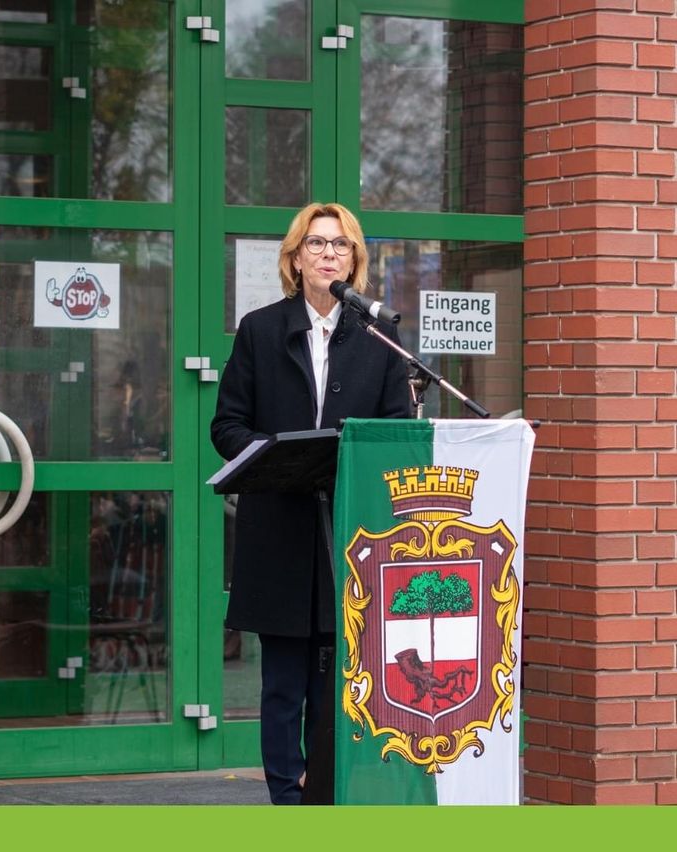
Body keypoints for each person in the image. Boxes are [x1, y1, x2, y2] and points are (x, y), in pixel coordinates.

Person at [211, 202, 411, 805]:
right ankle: (285, 795)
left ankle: (324, 789)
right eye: (318, 244)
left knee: (338, 682)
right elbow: (227, 425)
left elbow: (397, 426)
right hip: (279, 528)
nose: (330, 254)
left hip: (348, 531)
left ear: (357, 261)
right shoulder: (261, 328)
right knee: (283, 683)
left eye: (342, 245)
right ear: (295, 259)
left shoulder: (379, 335)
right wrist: (271, 458)